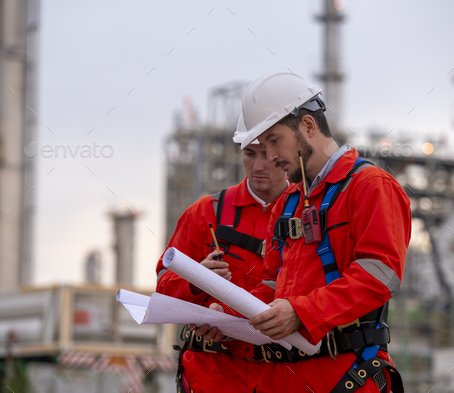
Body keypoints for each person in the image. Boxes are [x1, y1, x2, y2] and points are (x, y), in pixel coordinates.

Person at [204, 72, 411, 393]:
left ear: (308, 126)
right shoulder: (288, 202)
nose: (270, 157)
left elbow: (380, 275)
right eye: (261, 145)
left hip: (347, 374)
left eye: (274, 140)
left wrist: (302, 313)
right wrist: (227, 316)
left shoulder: (370, 186)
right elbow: (273, 285)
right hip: (283, 377)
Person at [155, 119, 289, 393]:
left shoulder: (305, 213)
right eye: (250, 154)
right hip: (212, 377)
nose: (258, 165)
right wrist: (196, 279)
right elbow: (163, 287)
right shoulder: (205, 213)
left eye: (266, 155)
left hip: (283, 376)